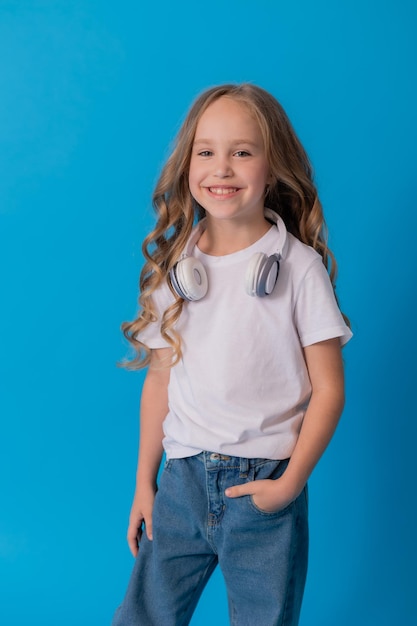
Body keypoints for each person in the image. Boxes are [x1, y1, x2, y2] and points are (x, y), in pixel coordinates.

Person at [111, 83, 352, 626]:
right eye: (206, 152)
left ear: (273, 167)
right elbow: (159, 384)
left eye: (242, 152)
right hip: (182, 481)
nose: (222, 168)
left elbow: (330, 390)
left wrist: (289, 485)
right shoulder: (177, 270)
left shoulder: (298, 270)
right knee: (142, 617)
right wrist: (144, 484)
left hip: (264, 486)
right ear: (187, 165)